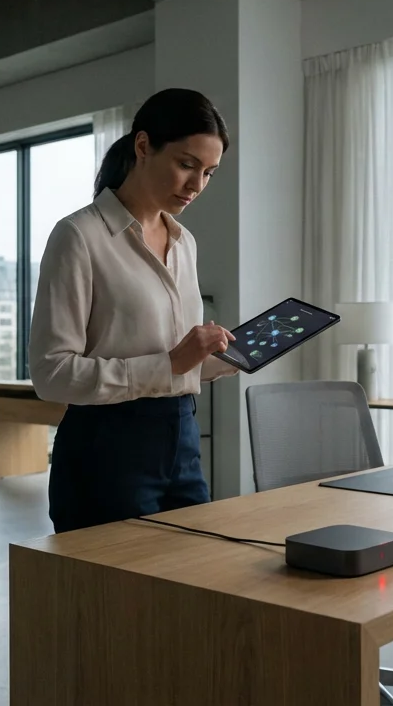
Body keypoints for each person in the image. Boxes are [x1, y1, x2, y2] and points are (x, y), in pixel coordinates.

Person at [28, 88, 239, 534]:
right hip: (105, 450)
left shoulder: (186, 243)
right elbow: (51, 374)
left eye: (209, 172)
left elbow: (169, 362)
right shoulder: (78, 237)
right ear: (143, 146)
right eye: (186, 164)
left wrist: (214, 360)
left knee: (192, 587)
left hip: (181, 442)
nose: (197, 185)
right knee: (112, 601)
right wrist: (171, 363)